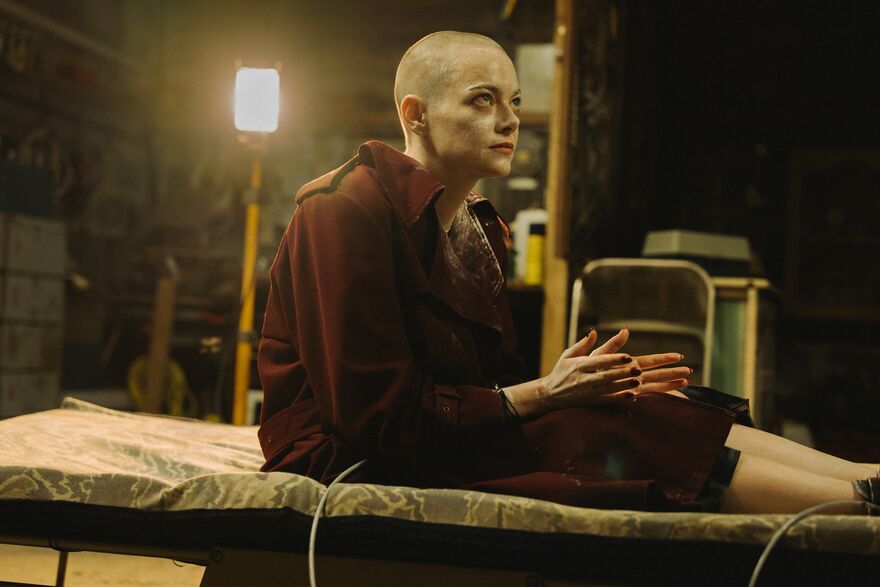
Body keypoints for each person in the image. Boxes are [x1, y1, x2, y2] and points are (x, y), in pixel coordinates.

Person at [257, 31, 879, 514]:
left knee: (646, 402)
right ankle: (857, 504)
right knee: (595, 431)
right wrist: (549, 395)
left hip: (438, 438)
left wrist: (577, 387)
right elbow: (379, 422)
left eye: (514, 102)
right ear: (415, 114)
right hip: (346, 456)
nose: (509, 120)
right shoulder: (343, 210)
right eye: (482, 100)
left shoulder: (480, 229)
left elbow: (496, 388)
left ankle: (866, 479)